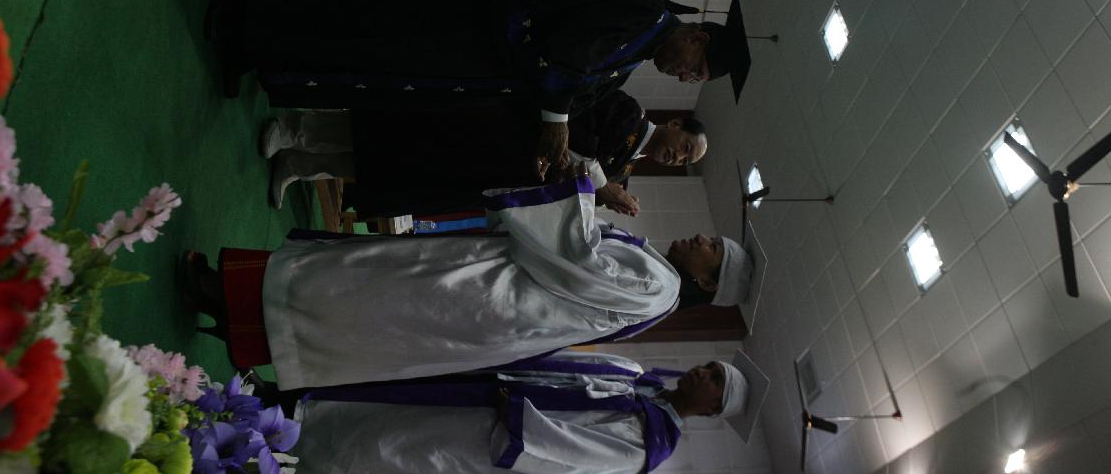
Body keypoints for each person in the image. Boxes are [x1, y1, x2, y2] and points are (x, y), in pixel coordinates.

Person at [214, 0, 751, 179]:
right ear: (697, 37)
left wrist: (559, 145)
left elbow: (572, 93)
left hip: (465, 62)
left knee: (356, 54)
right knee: (355, 15)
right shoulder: (642, 8)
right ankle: (247, 7)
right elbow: (570, 48)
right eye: (696, 68)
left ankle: (258, 49)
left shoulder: (632, 62)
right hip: (463, 17)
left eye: (693, 80)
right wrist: (556, 122)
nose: (685, 78)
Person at [180, 177, 738, 389]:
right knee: (355, 302)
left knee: (352, 288)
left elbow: (578, 261)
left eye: (710, 246)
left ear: (706, 281)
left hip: (484, 291)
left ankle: (222, 298)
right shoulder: (660, 284)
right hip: (490, 296)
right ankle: (235, 317)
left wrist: (589, 186)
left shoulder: (661, 287)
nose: (700, 236)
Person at [274, 349, 770, 474]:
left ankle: (281, 442)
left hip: (486, 432)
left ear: (712, 409)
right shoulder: (637, 374)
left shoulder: (648, 445)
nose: (702, 373)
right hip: (489, 385)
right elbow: (566, 364)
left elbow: (571, 453)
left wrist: (515, 413)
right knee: (389, 390)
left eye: (714, 380)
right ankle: (281, 399)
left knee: (387, 440)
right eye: (710, 366)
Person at [260, 90, 708, 213]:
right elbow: (576, 130)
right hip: (493, 130)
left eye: (686, 161)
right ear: (674, 124)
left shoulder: (623, 173)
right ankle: (294, 130)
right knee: (390, 132)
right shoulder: (628, 112)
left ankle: (300, 166)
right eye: (685, 147)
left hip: (497, 169)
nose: (679, 158)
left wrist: (598, 194)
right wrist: (602, 185)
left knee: (393, 165)